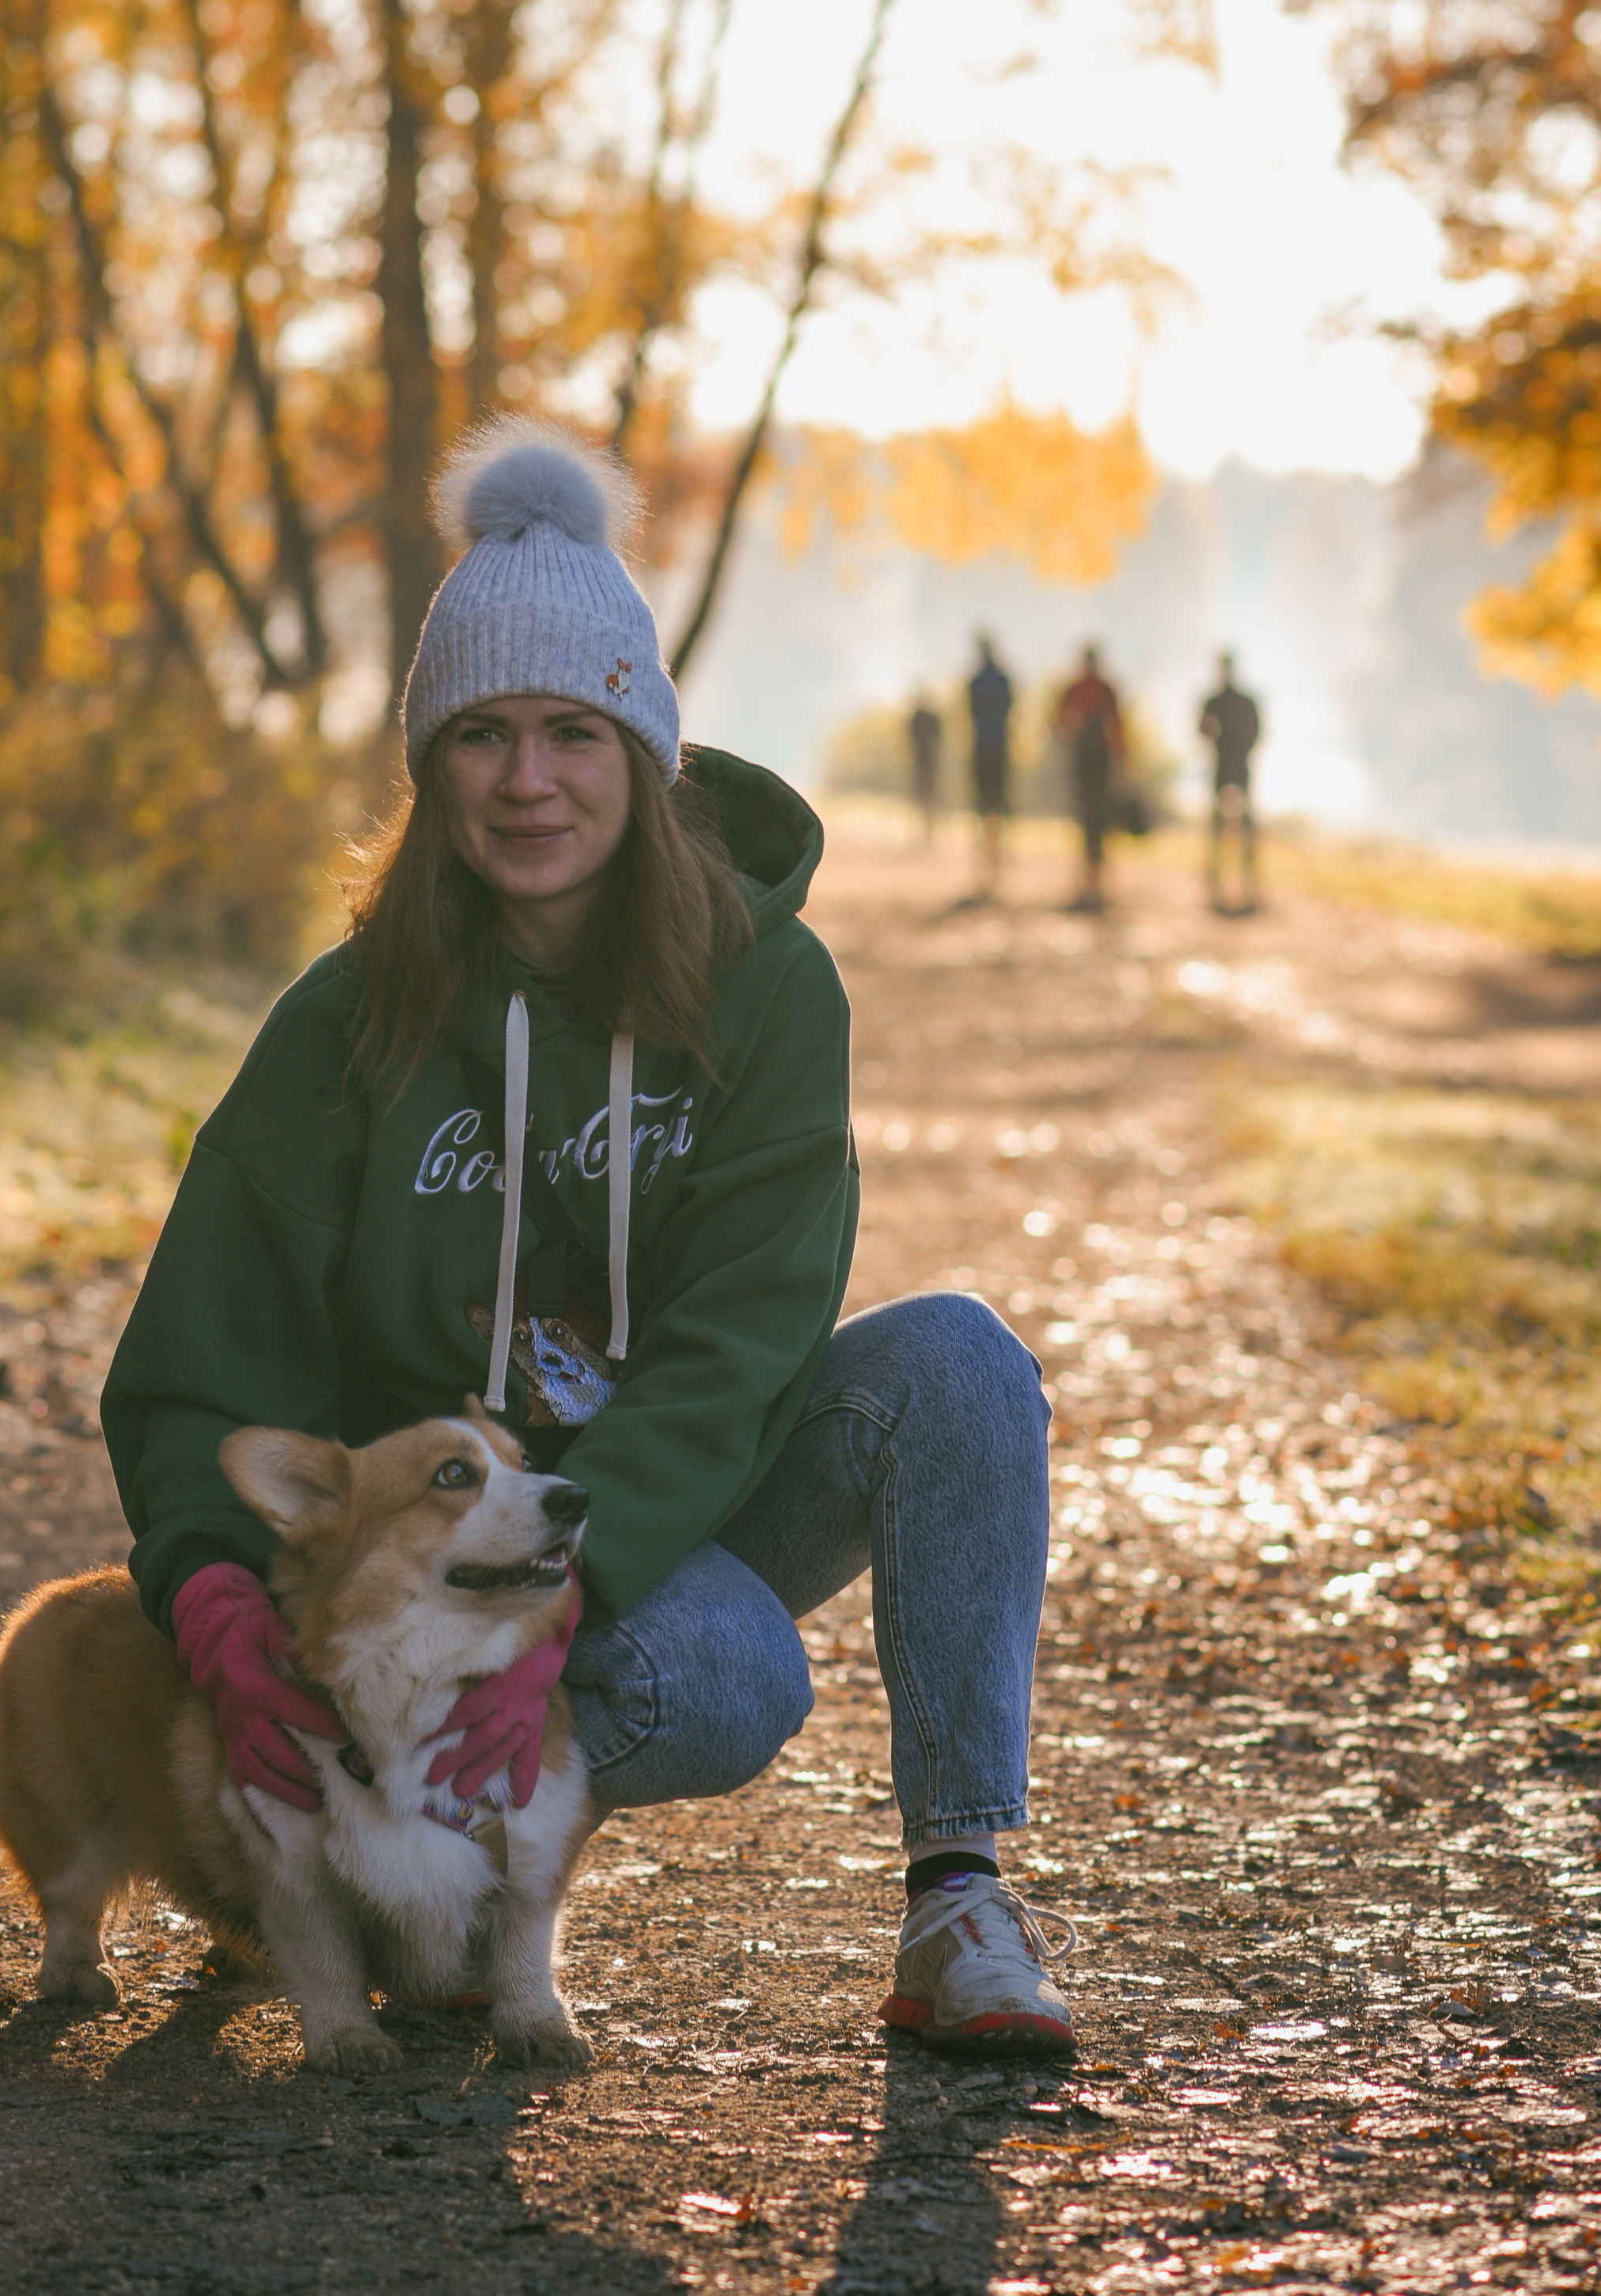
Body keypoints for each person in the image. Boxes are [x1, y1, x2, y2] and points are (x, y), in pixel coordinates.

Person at [101, 421, 1075, 2055]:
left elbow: (740, 1344)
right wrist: (209, 1596)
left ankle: (957, 1900)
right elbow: (201, 1356)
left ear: (643, 749)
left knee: (949, 1378)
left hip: (638, 1528)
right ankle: (413, 1859)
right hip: (424, 1574)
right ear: (432, 771)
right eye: (481, 735)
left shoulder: (768, 989)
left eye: (572, 730)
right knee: (718, 1670)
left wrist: (558, 1605)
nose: (528, 779)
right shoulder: (345, 1023)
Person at [1053, 645, 1126, 912]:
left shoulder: (1081, 689)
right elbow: (1117, 729)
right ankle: (1094, 879)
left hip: (1089, 764)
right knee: (1095, 821)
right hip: (1094, 763)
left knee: (1090, 820)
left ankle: (1092, 879)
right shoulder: (1102, 689)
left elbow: (1060, 725)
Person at [1199, 651, 1263, 915]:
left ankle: (1244, 877)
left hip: (1231, 763)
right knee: (1230, 822)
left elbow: (1203, 730)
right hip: (1231, 763)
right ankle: (1224, 878)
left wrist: (1226, 741)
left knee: (1235, 822)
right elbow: (1257, 731)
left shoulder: (1218, 701)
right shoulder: (1237, 701)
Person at [965, 635, 1015, 901]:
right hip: (1000, 748)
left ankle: (986, 864)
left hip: (983, 749)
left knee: (983, 807)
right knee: (1000, 805)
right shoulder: (1003, 679)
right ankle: (997, 862)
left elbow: (971, 713)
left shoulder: (976, 681)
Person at [905, 695, 943, 840]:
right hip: (927, 761)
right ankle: (926, 827)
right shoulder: (931, 718)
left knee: (925, 794)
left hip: (923, 761)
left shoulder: (917, 718)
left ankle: (928, 828)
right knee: (927, 794)